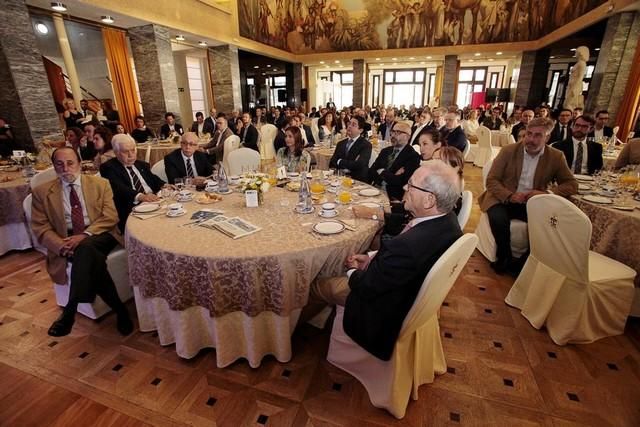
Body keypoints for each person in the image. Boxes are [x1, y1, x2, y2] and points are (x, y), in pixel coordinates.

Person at [305, 161, 463, 360]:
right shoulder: (448, 223)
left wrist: (354, 270)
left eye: (412, 185)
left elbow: (366, 285)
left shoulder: (406, 247)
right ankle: (319, 318)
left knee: (316, 284)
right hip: (402, 288)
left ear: (429, 200)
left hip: (381, 311)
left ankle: (295, 335)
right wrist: (372, 258)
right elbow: (398, 267)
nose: (405, 187)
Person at [31, 147, 132, 337]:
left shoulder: (100, 184)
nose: (66, 168)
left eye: (70, 163)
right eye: (59, 164)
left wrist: (85, 234)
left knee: (85, 246)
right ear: (53, 167)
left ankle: (70, 310)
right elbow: (40, 228)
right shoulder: (41, 192)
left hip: (100, 232)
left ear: (79, 164)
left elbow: (110, 217)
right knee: (89, 255)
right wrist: (61, 245)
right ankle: (121, 311)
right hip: (66, 238)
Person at [479, 117, 578, 274]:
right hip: (502, 198)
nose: (531, 139)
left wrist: (546, 194)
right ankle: (504, 257)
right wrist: (509, 195)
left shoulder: (556, 156)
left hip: (534, 202)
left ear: (547, 137)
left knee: (547, 224)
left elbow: (571, 184)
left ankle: (525, 262)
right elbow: (492, 180)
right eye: (529, 134)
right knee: (498, 218)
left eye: (538, 135)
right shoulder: (509, 151)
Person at [100, 134, 165, 232]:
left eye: (133, 150)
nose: (131, 155)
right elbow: (119, 187)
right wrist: (141, 196)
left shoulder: (141, 164)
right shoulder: (109, 168)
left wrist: (164, 184)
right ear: (116, 152)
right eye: (126, 151)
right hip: (132, 209)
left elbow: (154, 179)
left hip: (155, 203)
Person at [368, 121, 421, 201]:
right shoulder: (385, 151)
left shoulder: (413, 156)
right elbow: (371, 171)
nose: (393, 135)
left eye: (398, 132)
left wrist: (382, 171)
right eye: (392, 132)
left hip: (393, 197)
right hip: (376, 189)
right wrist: (391, 175)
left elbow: (402, 182)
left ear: (407, 136)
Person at [329, 116, 372, 183]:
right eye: (349, 123)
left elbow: (360, 164)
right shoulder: (340, 143)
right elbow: (332, 162)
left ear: (360, 130)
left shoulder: (366, 145)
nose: (349, 126)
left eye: (353, 125)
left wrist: (340, 161)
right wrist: (351, 164)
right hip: (340, 179)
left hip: (357, 181)